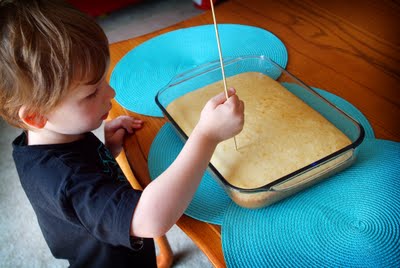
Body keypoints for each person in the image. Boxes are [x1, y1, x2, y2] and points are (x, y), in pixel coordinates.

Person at [0, 0, 245, 267]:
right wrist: (206, 135)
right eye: (92, 93)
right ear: (36, 116)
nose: (111, 93)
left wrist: (104, 148)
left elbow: (79, 168)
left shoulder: (46, 140)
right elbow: (150, 220)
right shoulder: (66, 181)